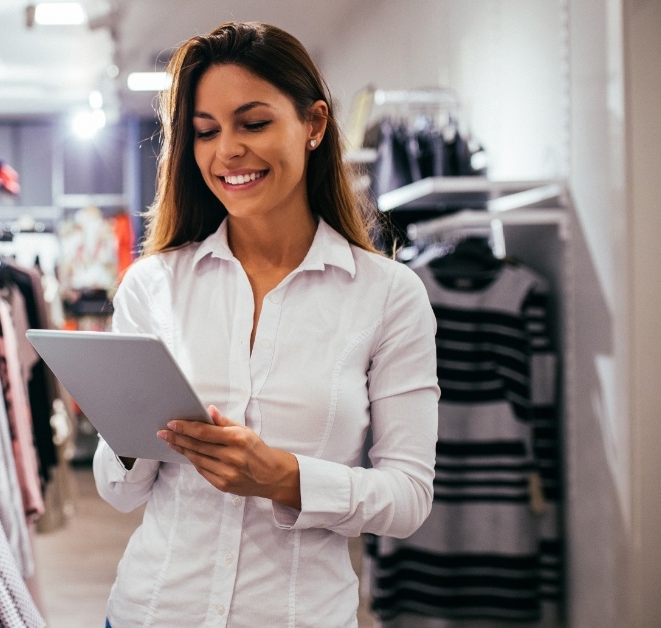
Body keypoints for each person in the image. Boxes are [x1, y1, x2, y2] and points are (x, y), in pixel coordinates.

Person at [93, 21, 440, 627]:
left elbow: (408, 497)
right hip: (152, 611)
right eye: (205, 132)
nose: (227, 150)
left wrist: (287, 478)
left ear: (314, 125)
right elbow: (119, 493)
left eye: (253, 123)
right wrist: (131, 430)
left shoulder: (389, 296)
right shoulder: (154, 285)